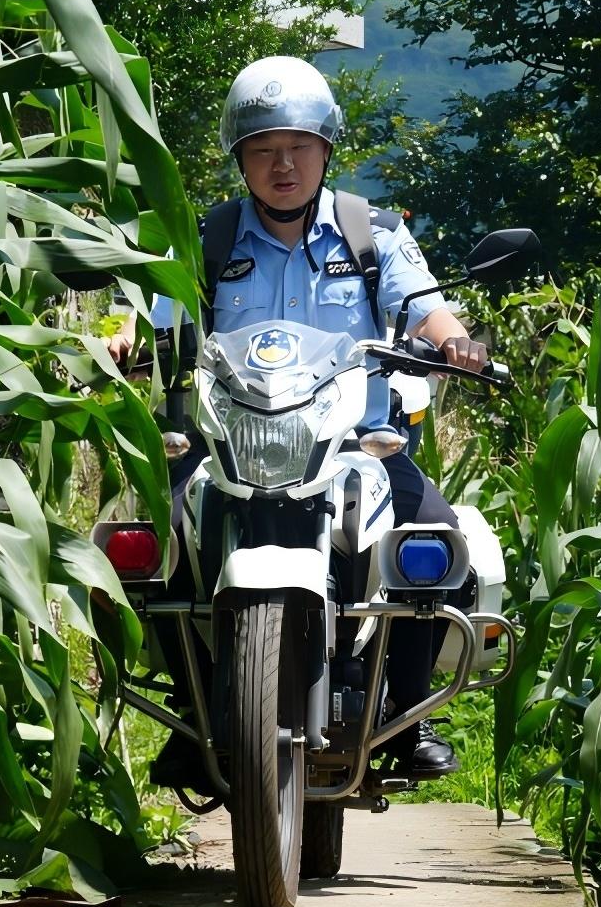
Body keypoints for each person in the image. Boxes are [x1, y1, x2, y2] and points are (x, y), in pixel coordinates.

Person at [109, 55, 487, 782]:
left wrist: (455, 342)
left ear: (326, 149)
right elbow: (157, 310)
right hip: (233, 445)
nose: (282, 165)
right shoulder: (207, 239)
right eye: (263, 150)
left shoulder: (372, 234)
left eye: (298, 147)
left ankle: (410, 716)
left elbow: (425, 308)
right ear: (240, 158)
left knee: (435, 546)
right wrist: (123, 337)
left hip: (355, 446)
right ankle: (193, 715)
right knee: (160, 547)